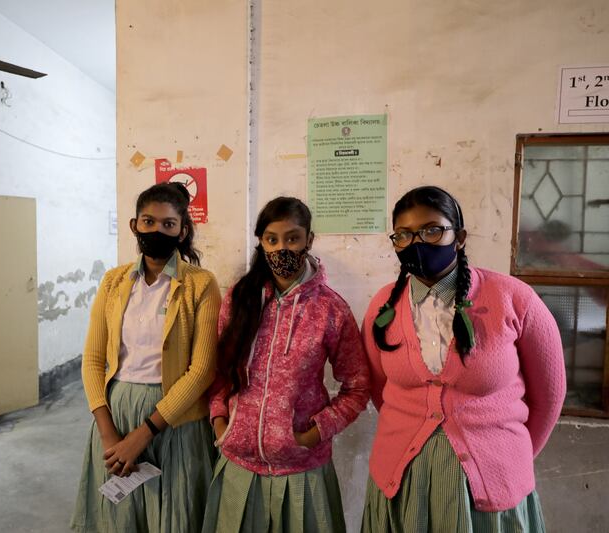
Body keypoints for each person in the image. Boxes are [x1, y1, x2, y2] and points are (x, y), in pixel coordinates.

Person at [360, 186, 566, 532]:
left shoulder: (514, 297)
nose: (417, 243)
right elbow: (380, 388)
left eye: (432, 230)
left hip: (494, 481)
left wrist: (509, 456)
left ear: (460, 237)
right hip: (403, 480)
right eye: (404, 235)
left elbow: (550, 395)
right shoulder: (383, 305)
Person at [203, 197, 370, 533]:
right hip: (239, 465)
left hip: (302, 469)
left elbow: (358, 386)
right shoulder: (240, 298)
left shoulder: (331, 309)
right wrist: (222, 421)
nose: (282, 248)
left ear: (309, 239)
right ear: (261, 242)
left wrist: (314, 433)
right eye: (272, 239)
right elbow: (221, 371)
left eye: (292, 238)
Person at [71, 182, 221, 533]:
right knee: (120, 519)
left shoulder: (201, 284)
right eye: (148, 221)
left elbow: (201, 370)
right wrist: (108, 434)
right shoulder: (112, 281)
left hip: (174, 419)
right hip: (116, 414)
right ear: (134, 225)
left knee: (174, 514)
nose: (157, 230)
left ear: (182, 231)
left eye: (168, 224)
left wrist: (144, 433)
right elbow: (93, 359)